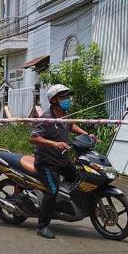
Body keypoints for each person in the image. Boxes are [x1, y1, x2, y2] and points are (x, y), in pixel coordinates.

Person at [30, 84, 96, 239]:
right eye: (63, 97)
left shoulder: (65, 114)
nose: (67, 100)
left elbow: (71, 125)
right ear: (54, 100)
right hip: (47, 162)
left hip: (62, 159)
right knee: (52, 190)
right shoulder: (46, 118)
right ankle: (43, 226)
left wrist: (87, 134)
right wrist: (55, 144)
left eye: (68, 97)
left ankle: (64, 206)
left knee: (77, 177)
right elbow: (33, 138)